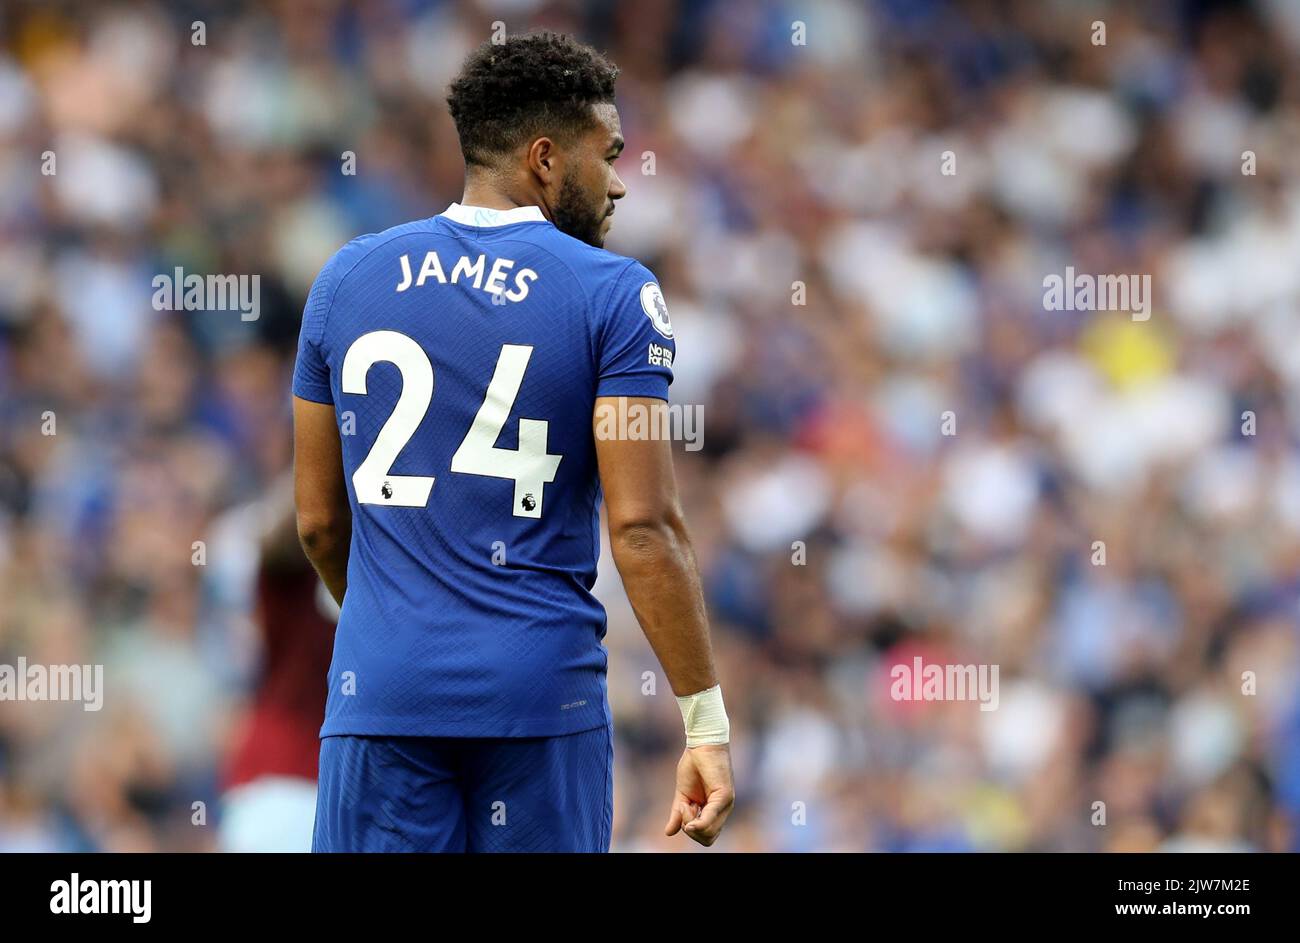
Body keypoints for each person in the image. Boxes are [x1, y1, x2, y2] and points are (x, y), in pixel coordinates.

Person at [292, 31, 733, 852]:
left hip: (380, 693)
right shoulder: (615, 295)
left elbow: (317, 520)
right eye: (608, 155)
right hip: (540, 701)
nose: (620, 184)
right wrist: (703, 721)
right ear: (544, 158)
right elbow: (642, 527)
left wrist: (401, 624)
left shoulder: (346, 280)